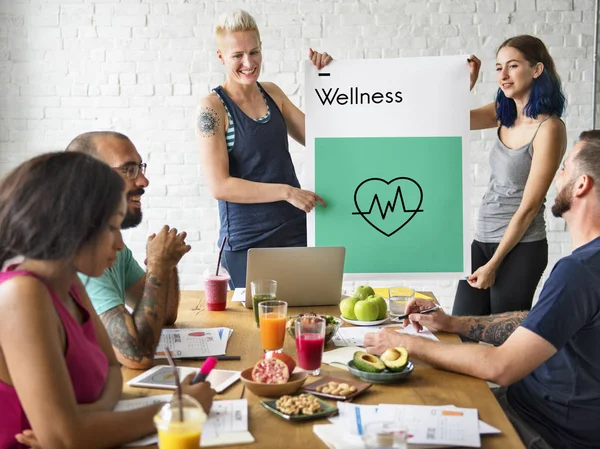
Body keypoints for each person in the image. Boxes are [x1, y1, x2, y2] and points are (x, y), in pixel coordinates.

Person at [365, 130, 600, 449]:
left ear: (582, 184)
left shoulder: (579, 271)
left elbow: (499, 367)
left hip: (540, 428)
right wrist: (453, 324)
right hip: (534, 408)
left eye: (564, 168)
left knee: (390, 430)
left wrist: (403, 342)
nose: (557, 176)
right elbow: (533, 325)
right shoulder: (587, 265)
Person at [0, 152, 214, 449]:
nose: (121, 244)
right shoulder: (21, 295)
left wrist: (81, 420)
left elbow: (112, 373)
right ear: (72, 225)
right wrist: (178, 408)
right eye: (112, 228)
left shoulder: (71, 283)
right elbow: (65, 437)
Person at [195, 9, 331, 288]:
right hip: (248, 242)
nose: (248, 62)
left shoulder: (273, 93)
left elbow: (320, 139)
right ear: (221, 56)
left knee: (306, 321)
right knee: (254, 328)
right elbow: (220, 186)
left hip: (294, 231)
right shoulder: (213, 108)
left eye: (254, 52)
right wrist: (287, 191)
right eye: (237, 55)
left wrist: (328, 79)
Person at [454, 35, 567, 316]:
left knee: (501, 339)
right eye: (498, 67)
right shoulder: (502, 113)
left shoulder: (549, 128)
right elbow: (450, 120)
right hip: (482, 238)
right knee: (458, 330)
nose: (503, 75)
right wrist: (466, 84)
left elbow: (529, 207)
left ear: (536, 69)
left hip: (521, 247)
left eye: (512, 66)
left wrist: (494, 264)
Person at [66, 131, 191, 369]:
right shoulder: (83, 256)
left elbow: (164, 315)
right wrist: (157, 265)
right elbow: (137, 356)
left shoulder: (113, 245)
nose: (144, 181)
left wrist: (166, 264)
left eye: (140, 168)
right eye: (129, 170)